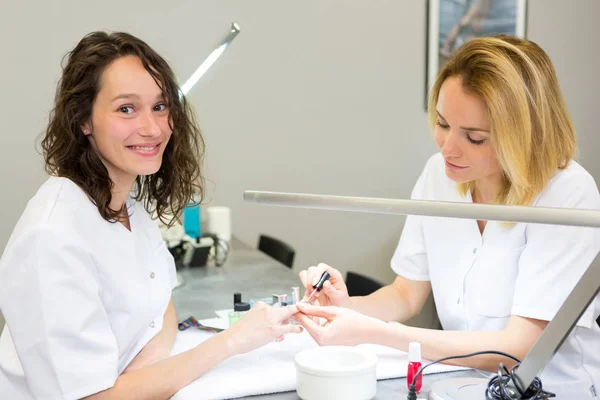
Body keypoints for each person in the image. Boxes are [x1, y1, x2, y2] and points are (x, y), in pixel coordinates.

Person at [0, 31, 301, 400]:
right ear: (83, 120)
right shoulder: (52, 237)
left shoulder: (127, 208)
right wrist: (231, 342)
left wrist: (144, 378)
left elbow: (163, 310)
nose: (154, 128)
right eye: (126, 108)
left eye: (160, 106)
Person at [296, 35, 600, 399]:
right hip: (460, 383)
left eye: (474, 137)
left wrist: (372, 332)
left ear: (524, 135)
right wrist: (345, 307)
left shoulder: (568, 194)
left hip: (554, 389)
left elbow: (520, 347)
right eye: (442, 124)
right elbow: (406, 294)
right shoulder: (438, 175)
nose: (447, 148)